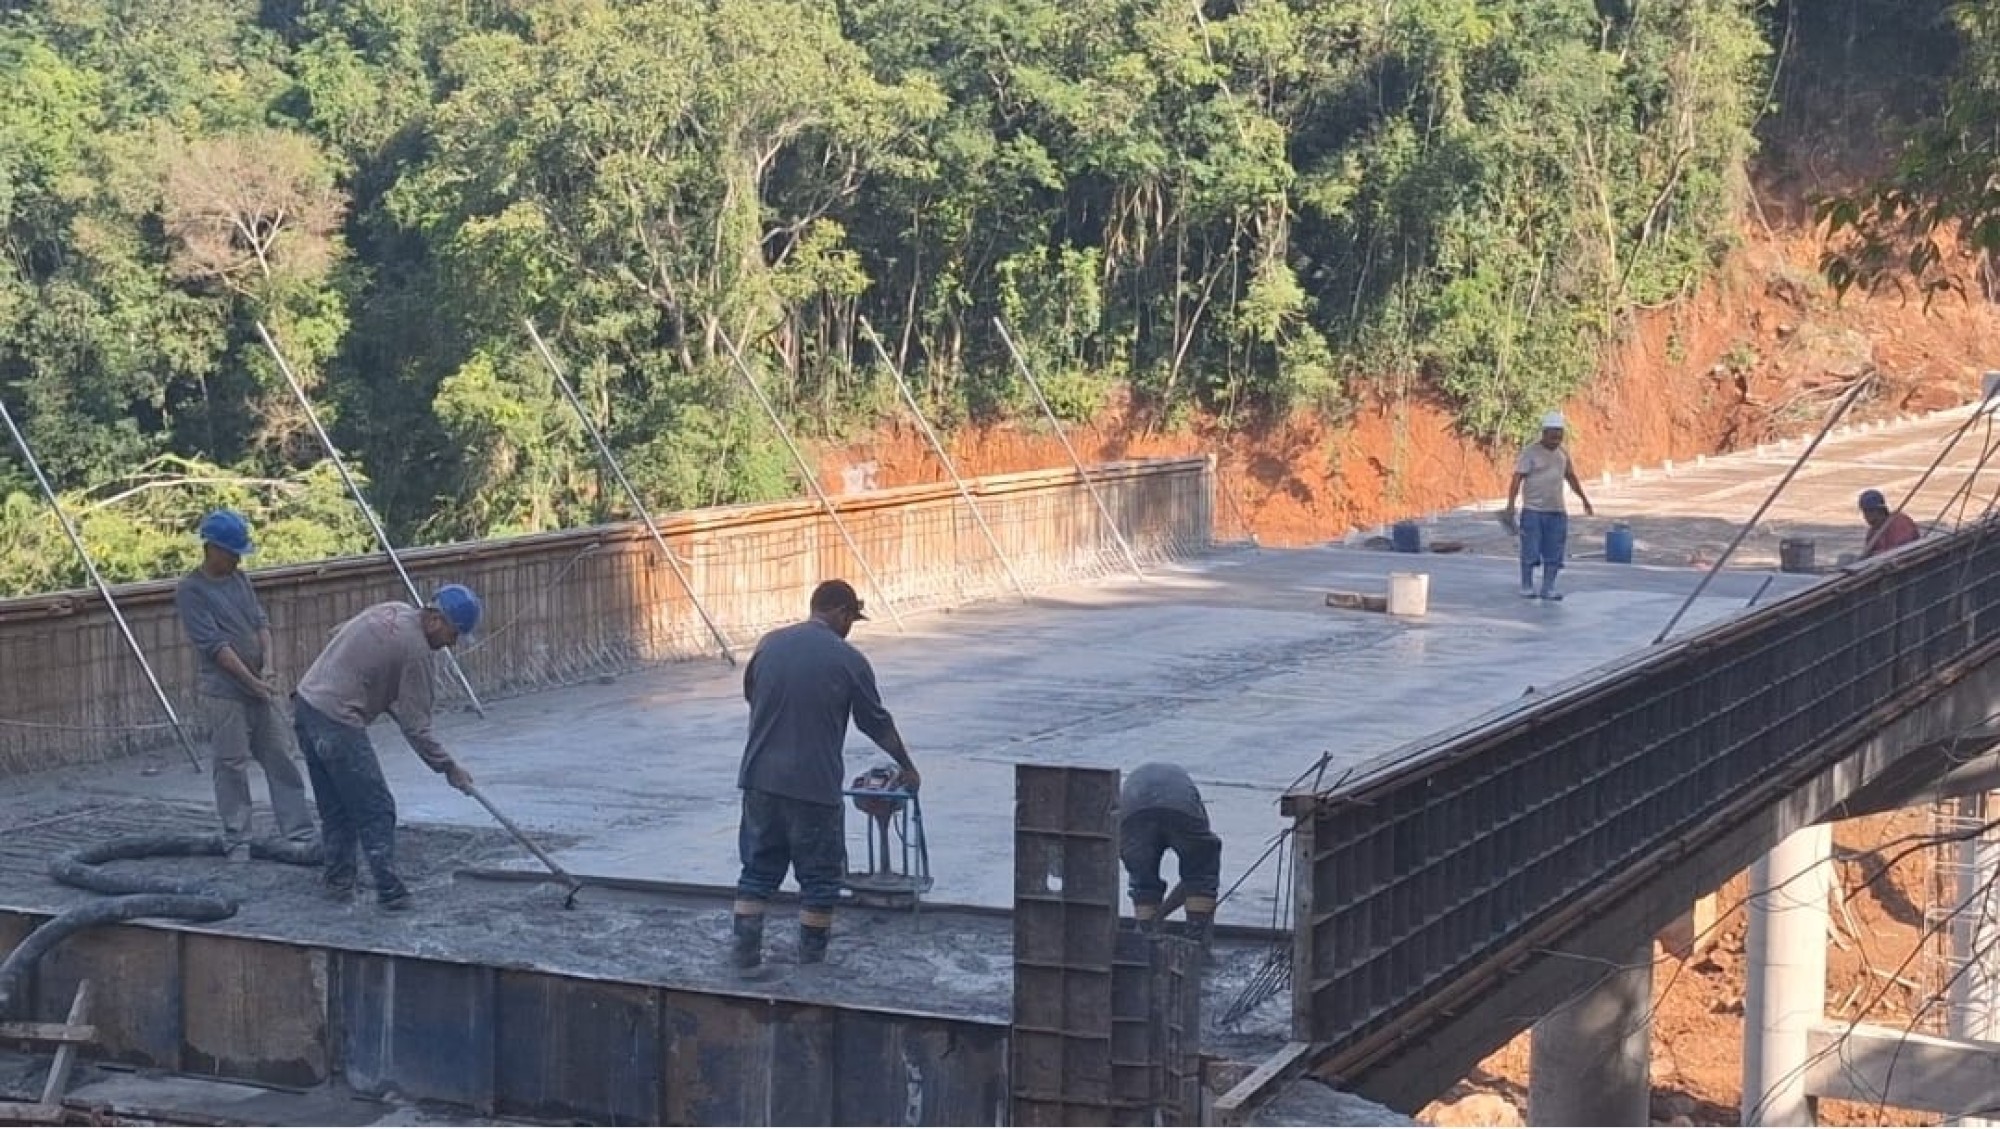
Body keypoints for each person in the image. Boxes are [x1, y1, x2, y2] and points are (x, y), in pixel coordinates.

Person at [732, 579, 919, 970]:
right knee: (818, 879)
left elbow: (753, 696)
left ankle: (744, 955)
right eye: (851, 619)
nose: (851, 627)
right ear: (840, 612)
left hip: (760, 781)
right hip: (814, 787)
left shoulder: (769, 644)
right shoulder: (848, 660)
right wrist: (906, 765)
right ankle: (812, 963)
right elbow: (875, 722)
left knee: (757, 872)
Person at [290, 588, 482, 910]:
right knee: (377, 808)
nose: (452, 643)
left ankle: (338, 882)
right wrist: (448, 767)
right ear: (435, 620)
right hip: (338, 718)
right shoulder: (417, 651)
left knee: (337, 808)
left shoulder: (391, 609)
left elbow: (340, 635)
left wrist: (381, 695)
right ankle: (389, 890)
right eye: (453, 633)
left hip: (307, 706)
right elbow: (417, 728)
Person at [173, 510, 315, 859]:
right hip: (224, 692)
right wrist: (249, 681)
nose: (236, 559)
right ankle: (237, 836)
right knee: (231, 762)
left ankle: (298, 829)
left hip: (258, 686)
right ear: (212, 549)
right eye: (231, 552)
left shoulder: (240, 580)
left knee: (280, 754)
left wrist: (267, 666)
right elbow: (215, 646)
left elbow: (260, 623)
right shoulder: (191, 590)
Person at [1120, 762, 1223, 948]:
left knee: (1143, 880)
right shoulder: (1189, 798)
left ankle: (1146, 937)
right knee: (1202, 871)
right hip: (1180, 808)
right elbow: (1197, 873)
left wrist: (1159, 914)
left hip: (1133, 811)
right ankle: (1195, 939)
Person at [1503, 411, 1595, 601]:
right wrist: (1510, 505)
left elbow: (1571, 476)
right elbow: (1517, 478)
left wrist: (1584, 499)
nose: (1556, 440)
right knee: (1530, 549)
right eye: (1553, 436)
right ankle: (1527, 586)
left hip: (1557, 511)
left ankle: (1548, 588)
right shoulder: (1530, 452)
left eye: (1559, 436)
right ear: (1544, 433)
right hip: (1533, 511)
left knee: (1554, 551)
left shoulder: (1563, 453)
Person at [1859, 489, 1921, 558]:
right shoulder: (1873, 533)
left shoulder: (1900, 522)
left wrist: (1878, 555)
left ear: (1882, 510)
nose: (1868, 517)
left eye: (1871, 511)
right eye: (1865, 512)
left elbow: (1903, 549)